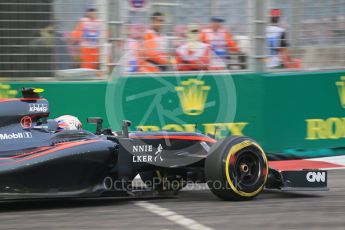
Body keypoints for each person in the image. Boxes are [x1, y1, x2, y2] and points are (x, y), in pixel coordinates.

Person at [71, 5, 101, 69]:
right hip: (85, 47)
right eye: (90, 11)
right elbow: (76, 35)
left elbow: (105, 34)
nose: (92, 12)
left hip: (96, 47)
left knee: (96, 64)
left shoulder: (100, 22)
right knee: (86, 65)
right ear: (87, 13)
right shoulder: (83, 21)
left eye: (93, 11)